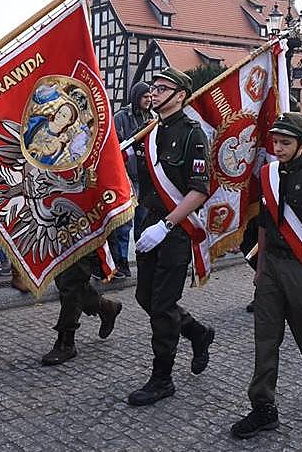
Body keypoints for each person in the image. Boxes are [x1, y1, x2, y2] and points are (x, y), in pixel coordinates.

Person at [230, 112, 302, 439]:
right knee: (265, 337)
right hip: (272, 268)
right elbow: (265, 225)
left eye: (285, 142)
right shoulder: (268, 174)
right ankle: (263, 407)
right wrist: (261, 268)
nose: (277, 148)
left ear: (301, 144)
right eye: (275, 142)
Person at [128, 67, 214, 406]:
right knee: (145, 298)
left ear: (180, 95)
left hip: (174, 230)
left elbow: (199, 190)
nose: (155, 92)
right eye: (154, 87)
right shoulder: (150, 132)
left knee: (162, 307)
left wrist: (166, 226)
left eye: (163, 88)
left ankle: (162, 378)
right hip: (149, 224)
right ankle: (197, 332)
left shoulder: (193, 134)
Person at [39, 252, 123, 365]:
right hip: (61, 241)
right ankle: (105, 307)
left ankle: (66, 342)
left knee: (72, 283)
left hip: (82, 239)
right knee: (64, 281)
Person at [109, 81, 154, 278]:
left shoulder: (152, 118)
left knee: (143, 222)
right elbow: (115, 147)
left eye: (151, 97)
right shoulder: (121, 118)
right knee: (124, 224)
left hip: (144, 178)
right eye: (146, 97)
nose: (150, 100)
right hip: (126, 178)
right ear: (137, 97)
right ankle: (121, 262)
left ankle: (143, 260)